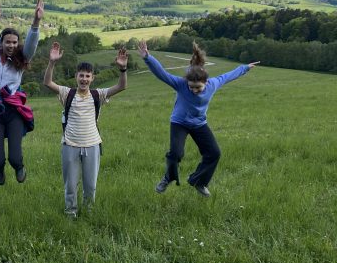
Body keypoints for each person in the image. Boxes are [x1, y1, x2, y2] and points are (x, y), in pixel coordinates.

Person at [138, 40, 259, 197]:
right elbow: (162, 74)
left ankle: (198, 181)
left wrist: (245, 68)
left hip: (199, 123)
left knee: (214, 153)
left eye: (198, 87)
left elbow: (229, 76)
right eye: (191, 87)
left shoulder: (213, 84)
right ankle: (168, 178)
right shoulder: (181, 84)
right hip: (179, 123)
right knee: (176, 154)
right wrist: (148, 57)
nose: (194, 90)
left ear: (206, 83)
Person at [43, 42, 129, 219]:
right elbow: (47, 82)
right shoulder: (67, 93)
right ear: (76, 76)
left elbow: (121, 87)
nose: (84, 79)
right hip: (70, 145)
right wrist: (52, 62)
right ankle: (70, 214)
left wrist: (122, 69)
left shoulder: (99, 94)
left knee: (90, 185)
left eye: (87, 76)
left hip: (93, 145)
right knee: (71, 184)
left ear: (92, 78)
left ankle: (89, 214)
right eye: (81, 76)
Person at [0, 0, 43, 185]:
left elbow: (32, 44)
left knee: (15, 157)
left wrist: (36, 22)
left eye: (15, 42)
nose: (11, 45)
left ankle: (19, 167)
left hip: (13, 112)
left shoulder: (21, 59)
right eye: (8, 42)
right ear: (2, 42)